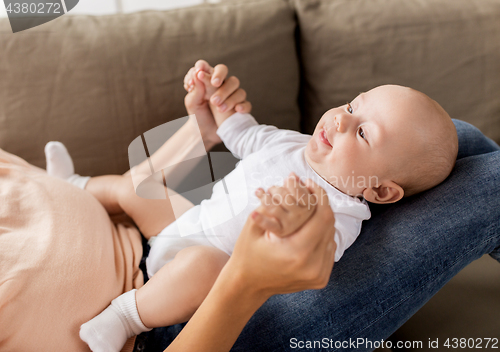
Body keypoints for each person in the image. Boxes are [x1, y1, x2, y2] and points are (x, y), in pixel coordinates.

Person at [45, 59, 458, 351]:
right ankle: (75, 184)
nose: (339, 120)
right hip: (186, 224)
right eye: (352, 106)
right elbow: (243, 133)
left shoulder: (340, 211)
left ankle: (123, 318)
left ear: (381, 192)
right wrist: (216, 103)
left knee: (202, 268)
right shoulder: (293, 142)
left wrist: (294, 226)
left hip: (205, 270)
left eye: (364, 133)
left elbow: (318, 254)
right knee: (135, 190)